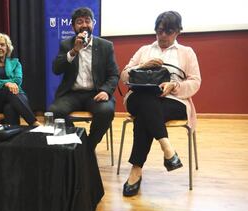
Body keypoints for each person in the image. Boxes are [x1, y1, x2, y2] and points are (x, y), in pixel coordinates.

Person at [120, 11, 201, 197]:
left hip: (172, 101)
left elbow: (195, 82)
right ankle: (167, 149)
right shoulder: (144, 50)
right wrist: (141, 66)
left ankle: (136, 170)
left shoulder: (187, 53)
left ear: (178, 32)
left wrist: (175, 86)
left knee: (145, 114)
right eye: (160, 30)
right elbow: (124, 75)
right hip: (138, 96)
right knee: (147, 99)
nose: (163, 35)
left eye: (169, 31)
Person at [48, 7, 119, 150]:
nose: (84, 25)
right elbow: (56, 69)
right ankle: (77, 141)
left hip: (96, 93)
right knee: (55, 111)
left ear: (93, 23)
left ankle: (87, 147)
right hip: (72, 94)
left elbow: (114, 74)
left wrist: (106, 91)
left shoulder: (105, 46)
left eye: (87, 21)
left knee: (106, 111)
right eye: (79, 22)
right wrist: (74, 51)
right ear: (73, 26)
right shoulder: (66, 44)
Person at [0, 33, 40, 126]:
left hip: (14, 97)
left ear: (7, 48)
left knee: (10, 107)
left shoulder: (15, 63)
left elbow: (17, 81)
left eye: (2, 45)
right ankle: (34, 122)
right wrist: (7, 84)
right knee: (9, 91)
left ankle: (12, 136)